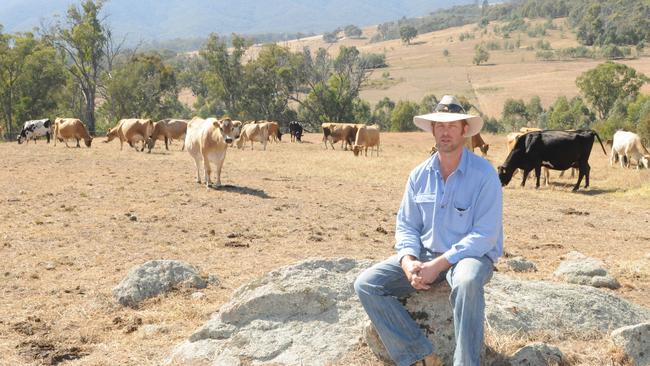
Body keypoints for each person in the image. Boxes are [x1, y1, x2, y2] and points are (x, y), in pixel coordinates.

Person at [354, 95, 503, 366]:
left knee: (468, 281)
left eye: (451, 126)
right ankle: (419, 356)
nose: (445, 132)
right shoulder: (418, 175)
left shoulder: (484, 174)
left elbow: (485, 235)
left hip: (470, 258)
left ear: (464, 129)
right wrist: (408, 260)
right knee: (367, 284)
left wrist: (438, 265)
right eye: (439, 126)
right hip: (425, 253)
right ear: (433, 130)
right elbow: (407, 225)